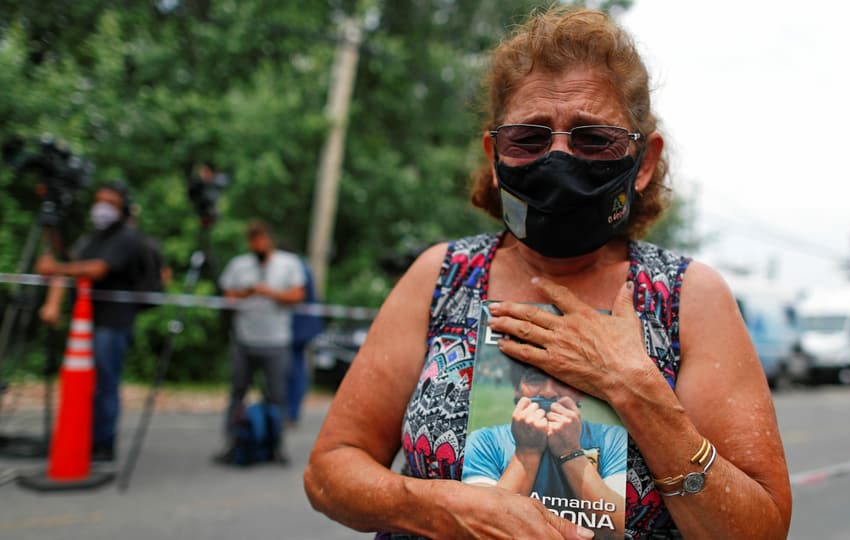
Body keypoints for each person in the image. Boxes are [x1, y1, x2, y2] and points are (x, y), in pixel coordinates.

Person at [304, 7, 792, 539]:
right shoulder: (441, 277)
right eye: (529, 138)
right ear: (496, 156)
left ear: (643, 161)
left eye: (593, 138)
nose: (559, 158)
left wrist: (635, 389)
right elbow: (330, 472)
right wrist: (445, 507)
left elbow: (759, 529)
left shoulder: (688, 297)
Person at [35, 180, 148, 462]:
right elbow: (70, 264)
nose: (102, 208)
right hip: (85, 322)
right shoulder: (91, 238)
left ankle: (102, 443)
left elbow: (97, 269)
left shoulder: (126, 237)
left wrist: (57, 268)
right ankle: (81, 435)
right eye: (100, 200)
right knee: (84, 383)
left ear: (122, 206)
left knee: (105, 382)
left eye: (110, 202)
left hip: (113, 321)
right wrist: (52, 303)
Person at [463, 363, 627, 537]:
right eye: (535, 379)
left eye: (563, 379)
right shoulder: (485, 442)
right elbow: (480, 530)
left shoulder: (612, 438)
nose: (549, 393)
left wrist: (570, 451)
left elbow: (618, 531)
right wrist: (527, 452)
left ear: (580, 391)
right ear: (517, 389)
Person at [217, 220, 305, 460]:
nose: (258, 244)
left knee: (277, 395)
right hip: (244, 339)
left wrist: (271, 293)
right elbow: (227, 294)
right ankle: (232, 442)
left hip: (276, 341)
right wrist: (247, 292)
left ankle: (275, 445)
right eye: (253, 240)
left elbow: (298, 295)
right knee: (237, 392)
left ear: (269, 239)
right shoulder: (239, 265)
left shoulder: (288, 263)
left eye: (261, 239)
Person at [287, 256, 323, 426]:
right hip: (302, 327)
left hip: (297, 328)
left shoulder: (295, 266)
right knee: (296, 369)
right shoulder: (303, 265)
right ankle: (291, 411)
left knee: (294, 371)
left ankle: (291, 412)